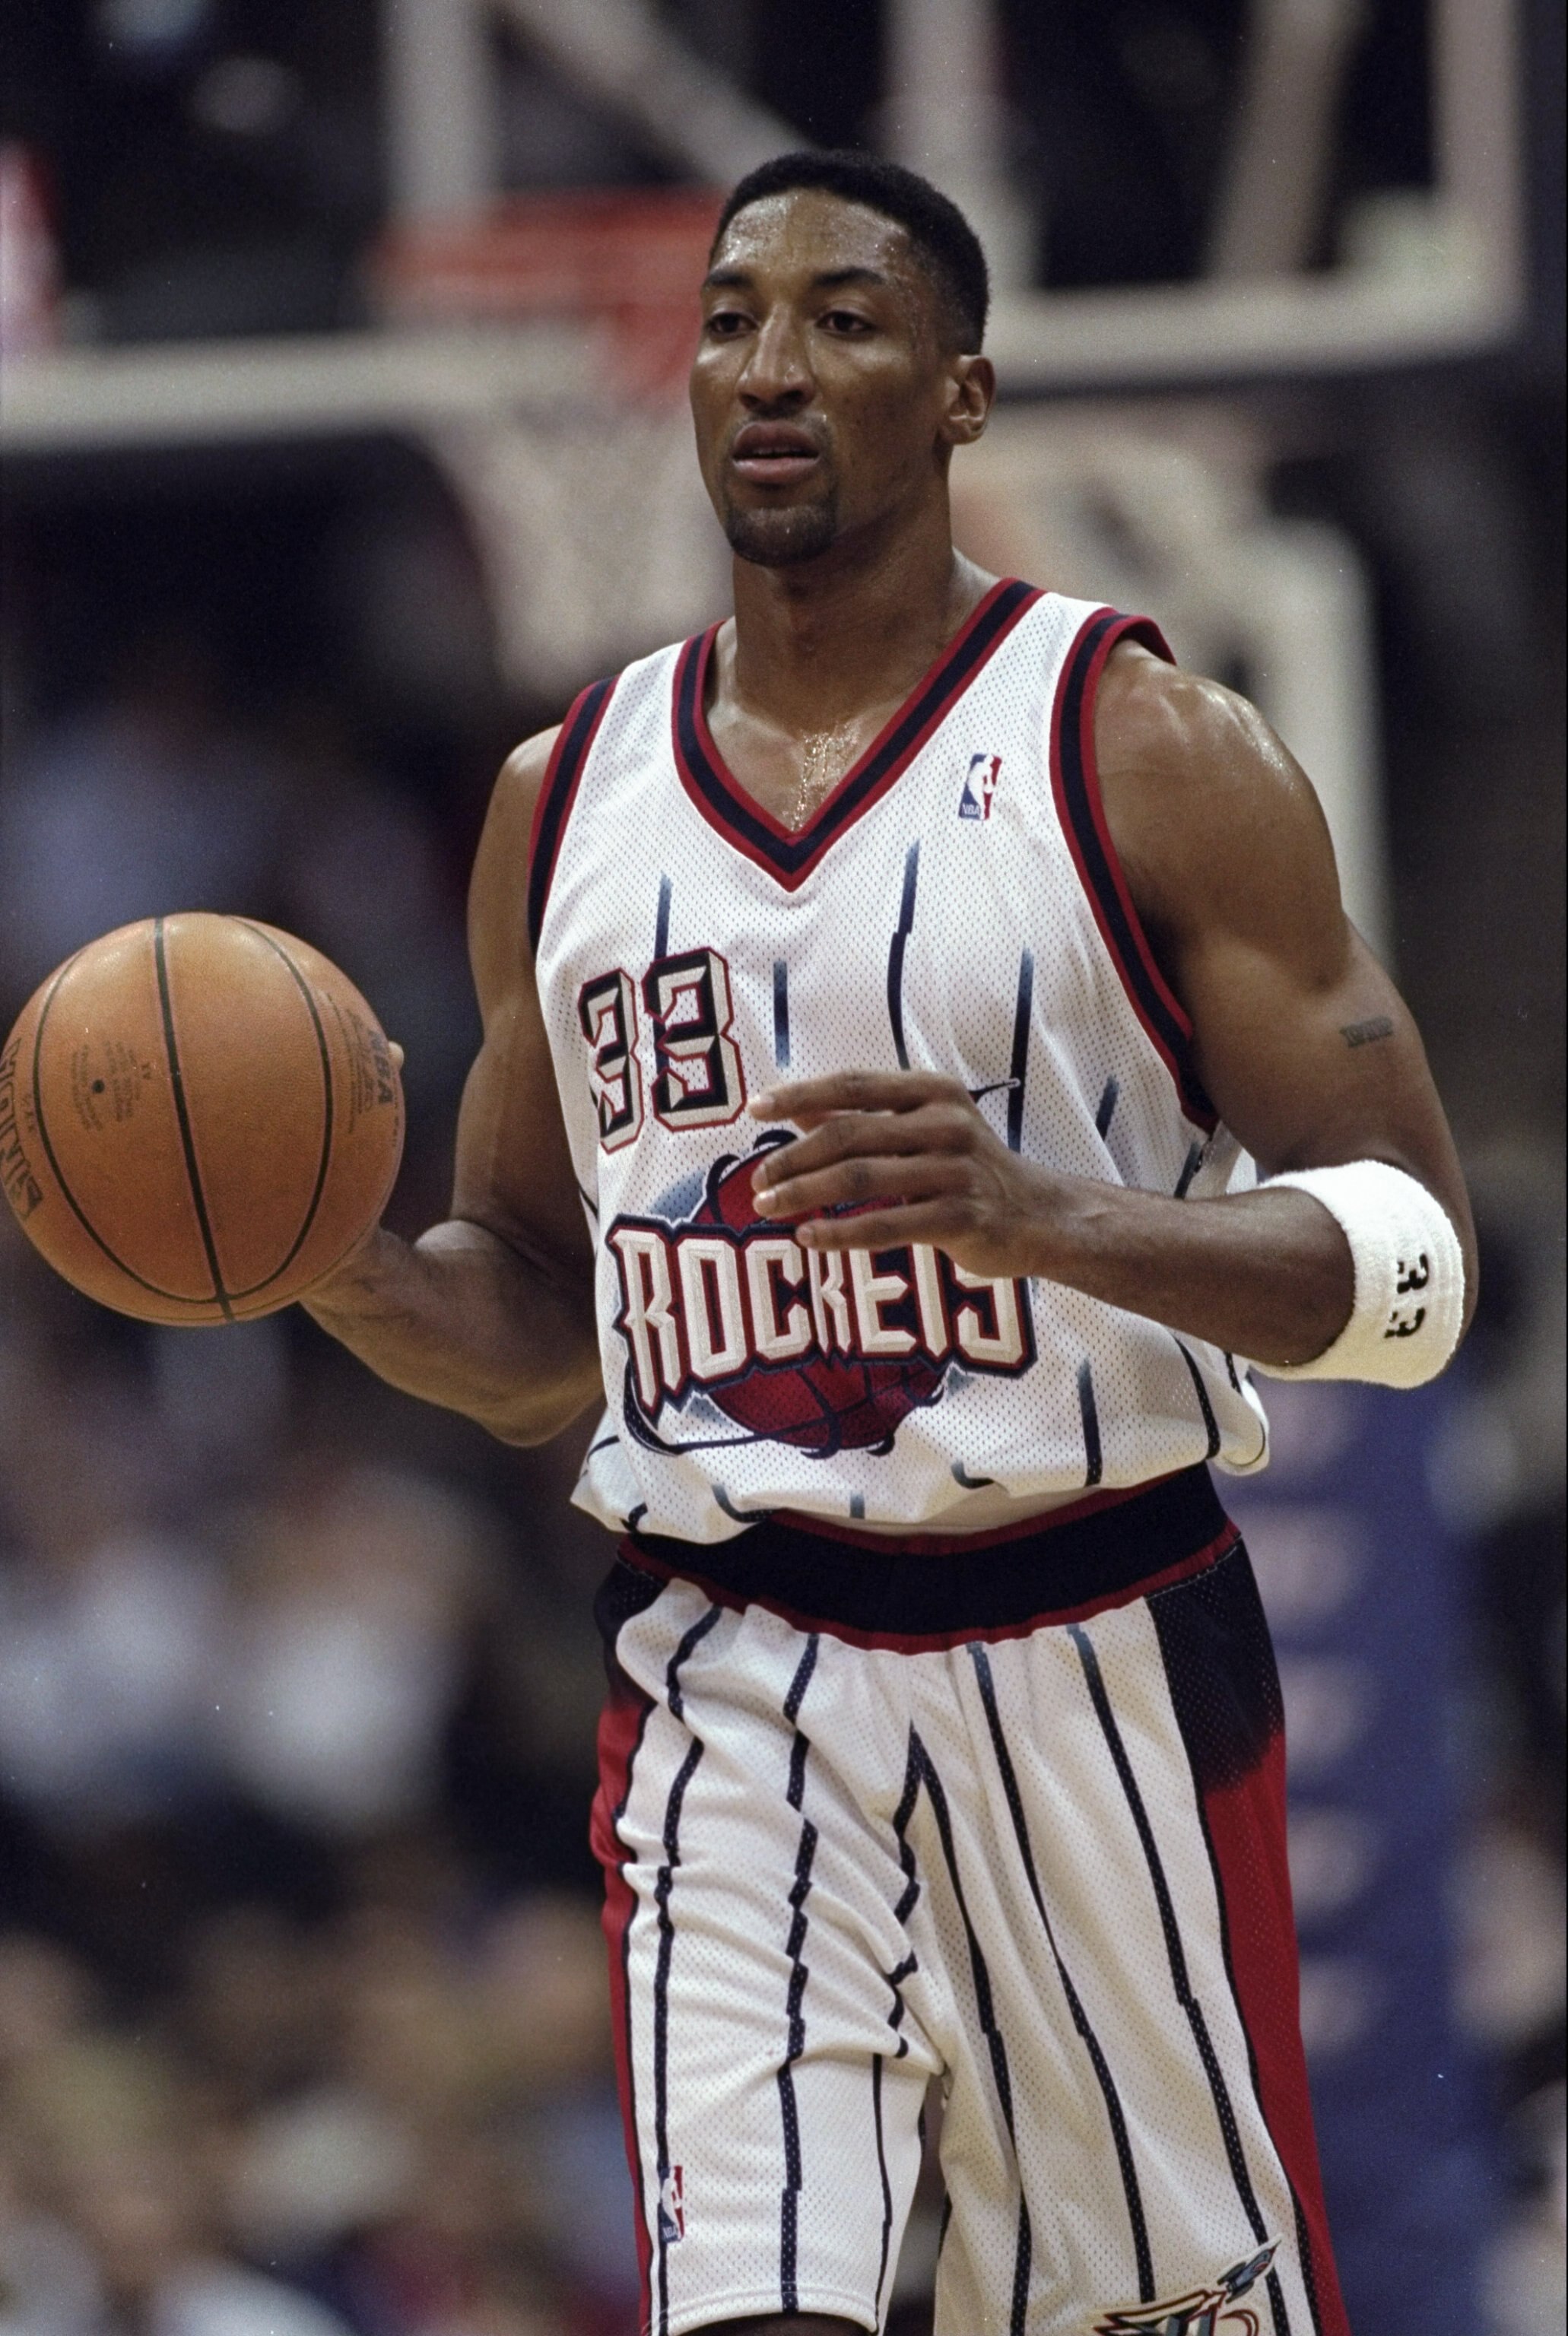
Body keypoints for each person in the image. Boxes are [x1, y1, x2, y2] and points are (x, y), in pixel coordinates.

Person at [304, 151, 1474, 2336]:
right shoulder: (560, 804)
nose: (769, 364)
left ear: (962, 391)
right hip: (732, 1667)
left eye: (843, 320)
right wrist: (333, 1264)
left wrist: (1057, 1220)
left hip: (1099, 1647)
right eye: (735, 316)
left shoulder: (1152, 752)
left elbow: (1422, 1274)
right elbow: (547, 1324)